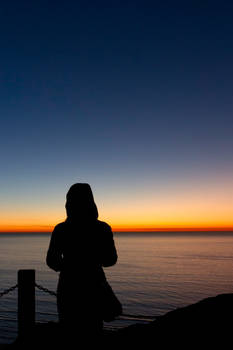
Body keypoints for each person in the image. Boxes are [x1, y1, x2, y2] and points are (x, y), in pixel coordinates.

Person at [46, 183, 118, 339]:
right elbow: (110, 260)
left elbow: (51, 261)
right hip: (95, 284)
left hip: (68, 286)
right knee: (93, 330)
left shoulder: (61, 229)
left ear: (68, 203)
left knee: (69, 330)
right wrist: (92, 261)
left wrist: (69, 266)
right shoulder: (103, 228)